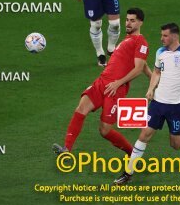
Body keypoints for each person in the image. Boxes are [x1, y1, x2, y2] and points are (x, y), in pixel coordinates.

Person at [113, 23, 180, 185]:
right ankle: (127, 173)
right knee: (144, 135)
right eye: (161, 35)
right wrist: (151, 89)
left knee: (176, 145)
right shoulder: (160, 52)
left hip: (175, 107)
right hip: (158, 103)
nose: (161, 38)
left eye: (165, 36)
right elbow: (157, 72)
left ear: (174, 36)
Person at [53, 8, 151, 156]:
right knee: (81, 108)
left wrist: (119, 83)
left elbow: (138, 68)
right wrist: (153, 77)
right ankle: (67, 149)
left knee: (104, 130)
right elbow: (143, 64)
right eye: (127, 20)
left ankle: (133, 154)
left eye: (132, 20)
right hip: (102, 82)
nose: (128, 23)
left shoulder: (141, 42)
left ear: (140, 22)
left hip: (115, 89)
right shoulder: (126, 39)